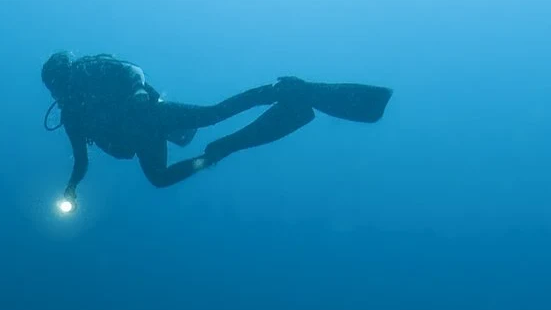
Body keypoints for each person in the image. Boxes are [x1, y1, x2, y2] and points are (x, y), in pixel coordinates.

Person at [41, 52, 391, 207]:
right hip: (140, 138)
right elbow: (81, 160)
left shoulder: (93, 72)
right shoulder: (73, 116)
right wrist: (71, 188)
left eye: (62, 82)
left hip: (150, 117)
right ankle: (215, 155)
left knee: (213, 114)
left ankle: (276, 91)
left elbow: (133, 71)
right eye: (57, 88)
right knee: (159, 178)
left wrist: (136, 93)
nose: (63, 91)